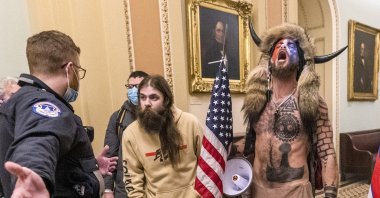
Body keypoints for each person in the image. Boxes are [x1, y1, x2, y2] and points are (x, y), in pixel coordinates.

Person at [0, 30, 118, 197]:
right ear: (70, 69)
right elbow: (38, 140)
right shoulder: (45, 105)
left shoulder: (21, 100)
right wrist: (33, 176)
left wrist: (88, 167)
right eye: (78, 70)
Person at [242, 23, 346, 198]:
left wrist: (330, 194)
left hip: (295, 191)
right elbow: (251, 144)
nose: (283, 46)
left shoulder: (312, 102)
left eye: (291, 45)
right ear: (270, 58)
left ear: (300, 60)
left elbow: (327, 154)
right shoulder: (257, 99)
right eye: (278, 45)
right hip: (257, 190)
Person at [122, 75, 203, 197]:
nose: (147, 103)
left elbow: (207, 165)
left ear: (166, 100)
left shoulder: (190, 123)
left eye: (153, 98)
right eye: (142, 98)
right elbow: (132, 181)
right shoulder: (130, 133)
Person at [103, 70, 148, 198]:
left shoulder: (157, 116)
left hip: (153, 186)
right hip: (125, 189)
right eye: (130, 87)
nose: (133, 90)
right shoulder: (118, 117)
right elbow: (110, 155)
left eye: (138, 86)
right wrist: (107, 189)